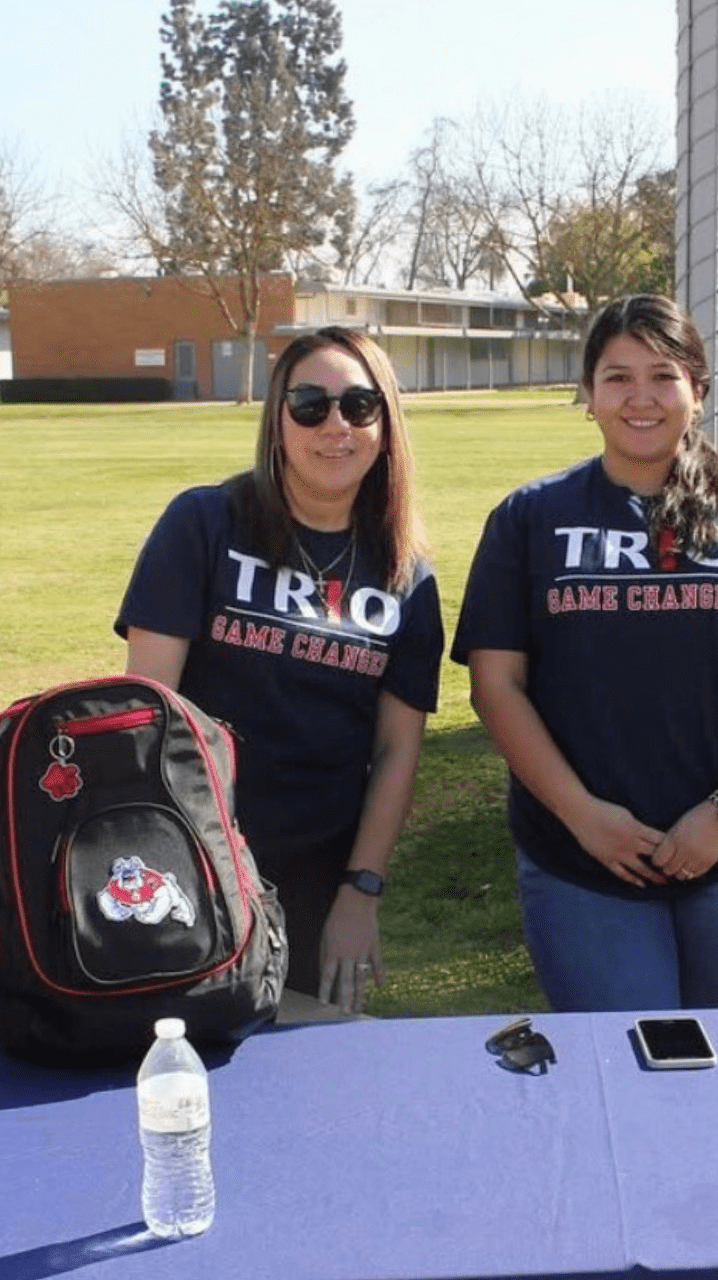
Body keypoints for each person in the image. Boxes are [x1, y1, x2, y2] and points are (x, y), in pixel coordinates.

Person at [453, 294, 718, 1012]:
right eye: (618, 377)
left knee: (702, 1047)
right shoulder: (530, 517)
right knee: (628, 1052)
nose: (641, 398)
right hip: (581, 857)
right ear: (588, 394)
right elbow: (496, 684)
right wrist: (582, 816)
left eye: (662, 376)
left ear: (698, 388)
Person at [116, 327, 443, 1016]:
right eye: (309, 404)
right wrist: (179, 857)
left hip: (319, 875)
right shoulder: (205, 523)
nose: (335, 426)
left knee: (312, 1073)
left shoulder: (406, 576)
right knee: (180, 1046)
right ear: (278, 418)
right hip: (195, 854)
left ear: (385, 425)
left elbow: (396, 749)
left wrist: (362, 890)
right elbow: (148, 711)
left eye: (358, 406)